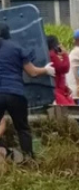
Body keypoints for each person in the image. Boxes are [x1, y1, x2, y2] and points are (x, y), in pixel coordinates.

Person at [0, 24, 58, 161]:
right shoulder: (16, 48)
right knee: (22, 129)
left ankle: (4, 154)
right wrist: (46, 70)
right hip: (16, 94)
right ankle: (29, 160)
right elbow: (32, 72)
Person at [46, 35, 72, 106]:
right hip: (57, 91)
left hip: (59, 89)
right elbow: (63, 68)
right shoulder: (52, 55)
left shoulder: (50, 54)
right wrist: (65, 55)